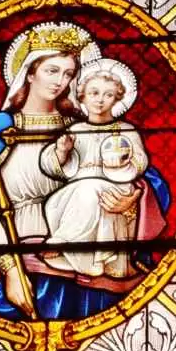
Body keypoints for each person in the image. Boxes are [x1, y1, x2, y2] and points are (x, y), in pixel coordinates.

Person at [0, 22, 169, 320]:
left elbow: (138, 174)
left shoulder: (82, 128)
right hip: (19, 256)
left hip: (88, 260)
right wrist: (11, 269)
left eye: (69, 73)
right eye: (52, 70)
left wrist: (132, 200)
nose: (61, 81)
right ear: (29, 72)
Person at [40, 60, 154, 278]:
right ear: (82, 96)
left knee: (90, 190)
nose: (100, 99)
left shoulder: (126, 130)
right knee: (63, 200)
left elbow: (140, 162)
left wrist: (123, 162)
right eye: (94, 93)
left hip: (116, 187)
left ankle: (63, 241)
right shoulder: (75, 130)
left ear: (117, 98)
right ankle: (88, 260)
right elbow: (51, 165)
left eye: (108, 94)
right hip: (77, 192)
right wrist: (62, 151)